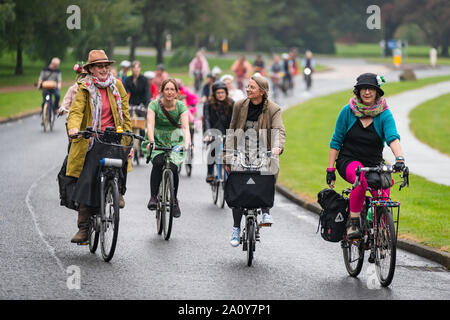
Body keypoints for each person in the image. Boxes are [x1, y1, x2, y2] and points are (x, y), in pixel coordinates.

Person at [327, 73, 405, 240]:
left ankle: (380, 227)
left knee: (384, 188)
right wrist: (330, 169)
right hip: (348, 160)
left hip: (374, 162)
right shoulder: (347, 112)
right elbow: (336, 142)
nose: (367, 92)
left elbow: (393, 137)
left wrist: (400, 159)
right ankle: (353, 221)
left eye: (371, 89)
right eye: (363, 89)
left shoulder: (384, 114)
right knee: (360, 176)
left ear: (377, 92)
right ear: (358, 91)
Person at [66, 49, 133, 243]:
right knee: (88, 177)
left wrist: (128, 141)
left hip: (114, 135)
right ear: (92, 69)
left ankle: (117, 188)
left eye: (106, 66)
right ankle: (84, 228)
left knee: (120, 158)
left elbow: (125, 114)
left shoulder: (117, 86)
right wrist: (74, 128)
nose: (104, 69)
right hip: (92, 137)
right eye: (99, 66)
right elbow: (76, 111)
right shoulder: (84, 87)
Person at [224, 75, 285, 247]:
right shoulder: (239, 105)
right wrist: (228, 156)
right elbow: (232, 129)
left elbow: (279, 130)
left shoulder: (273, 109)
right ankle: (236, 227)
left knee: (270, 170)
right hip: (242, 148)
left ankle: (265, 211)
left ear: (262, 91)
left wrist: (277, 147)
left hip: (264, 149)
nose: (248, 89)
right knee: (237, 181)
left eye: (252, 87)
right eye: (247, 86)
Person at [144, 79, 191, 218]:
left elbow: (185, 127)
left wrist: (187, 143)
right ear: (162, 91)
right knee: (158, 163)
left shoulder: (181, 106)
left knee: (174, 167)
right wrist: (151, 141)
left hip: (175, 141)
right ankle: (153, 197)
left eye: (172, 89)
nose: (169, 92)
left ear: (177, 92)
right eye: (167, 89)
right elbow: (150, 125)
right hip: (157, 139)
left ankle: (174, 201)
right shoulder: (154, 105)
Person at [203, 81, 234, 182]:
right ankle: (210, 172)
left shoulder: (231, 103)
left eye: (222, 92)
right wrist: (208, 134)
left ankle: (231, 174)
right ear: (214, 94)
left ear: (226, 93)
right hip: (213, 131)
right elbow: (207, 119)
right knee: (213, 149)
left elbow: (234, 120)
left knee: (231, 153)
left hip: (227, 132)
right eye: (218, 93)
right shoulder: (208, 104)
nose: (220, 95)